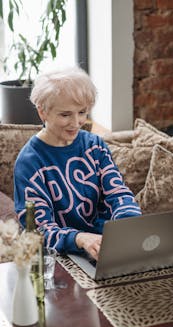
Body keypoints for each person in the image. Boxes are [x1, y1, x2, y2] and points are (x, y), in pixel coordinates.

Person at [14, 66, 142, 260]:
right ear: (43, 112)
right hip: (64, 255)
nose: (76, 122)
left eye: (82, 112)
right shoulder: (29, 163)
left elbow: (118, 194)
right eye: (65, 115)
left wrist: (128, 227)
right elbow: (37, 232)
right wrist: (80, 239)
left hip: (108, 247)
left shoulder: (95, 146)